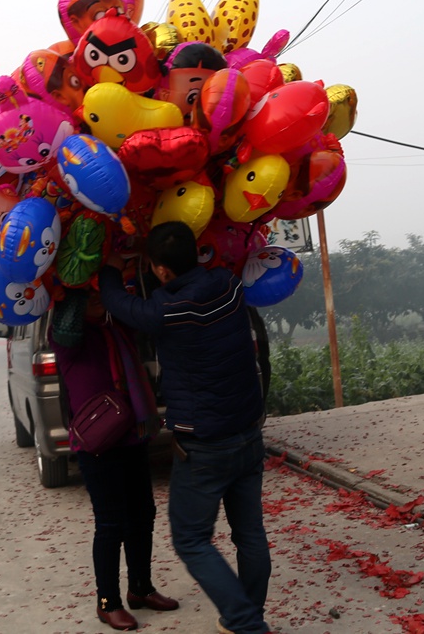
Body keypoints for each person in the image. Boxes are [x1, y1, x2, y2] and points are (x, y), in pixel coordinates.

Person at [99, 221, 273, 634]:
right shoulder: (230, 286)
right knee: (249, 533)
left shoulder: (167, 312)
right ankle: (249, 616)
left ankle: (247, 623)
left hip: (206, 445)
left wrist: (111, 264)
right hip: (249, 432)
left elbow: (115, 301)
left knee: (191, 539)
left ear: (160, 271)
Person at [48, 289, 177, 631]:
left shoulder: (115, 327)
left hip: (131, 434)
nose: (98, 298)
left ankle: (140, 588)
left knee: (142, 513)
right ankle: (108, 602)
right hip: (97, 444)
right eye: (87, 296)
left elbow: (140, 304)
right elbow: (70, 320)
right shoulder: (67, 338)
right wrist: (74, 288)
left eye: (98, 294)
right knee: (111, 523)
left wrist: (112, 280)